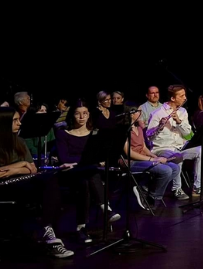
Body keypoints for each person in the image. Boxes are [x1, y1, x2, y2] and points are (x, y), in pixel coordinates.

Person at [0, 107, 74, 258]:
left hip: (21, 179)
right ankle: (48, 234)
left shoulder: (19, 141)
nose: (19, 123)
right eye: (14, 120)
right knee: (46, 185)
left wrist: (14, 170)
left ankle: (48, 230)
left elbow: (32, 168)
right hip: (4, 186)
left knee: (51, 178)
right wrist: (19, 166)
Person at [54, 100, 120, 243]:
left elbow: (101, 156)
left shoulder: (94, 133)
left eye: (85, 113)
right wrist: (86, 161)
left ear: (89, 115)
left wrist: (83, 162)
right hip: (69, 173)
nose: (82, 117)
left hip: (87, 171)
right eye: (78, 114)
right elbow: (64, 158)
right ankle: (106, 209)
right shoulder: (63, 134)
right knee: (88, 172)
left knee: (86, 178)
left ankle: (81, 227)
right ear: (72, 116)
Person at [146, 85, 199, 200]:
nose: (185, 98)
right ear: (173, 98)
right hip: (162, 149)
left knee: (202, 150)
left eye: (185, 95)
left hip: (180, 146)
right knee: (177, 156)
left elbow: (187, 133)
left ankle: (197, 187)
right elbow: (149, 137)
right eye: (181, 96)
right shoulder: (157, 113)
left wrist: (179, 121)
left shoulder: (183, 111)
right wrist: (159, 126)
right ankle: (176, 189)